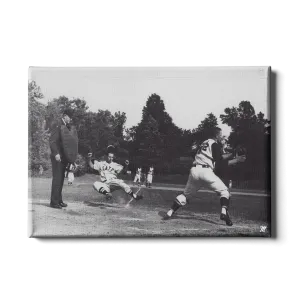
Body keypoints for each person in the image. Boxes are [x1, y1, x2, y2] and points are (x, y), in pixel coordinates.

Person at [162, 127, 246, 226]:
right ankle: (223, 212)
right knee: (224, 191)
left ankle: (170, 212)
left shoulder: (204, 143)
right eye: (220, 134)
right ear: (216, 135)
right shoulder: (214, 144)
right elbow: (220, 162)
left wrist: (232, 154)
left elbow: (218, 157)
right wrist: (236, 160)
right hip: (205, 172)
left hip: (194, 171)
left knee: (185, 195)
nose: (221, 136)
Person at [49, 110, 72, 209]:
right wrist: (56, 153)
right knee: (57, 179)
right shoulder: (58, 125)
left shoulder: (66, 126)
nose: (71, 119)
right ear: (65, 116)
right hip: (57, 157)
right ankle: (54, 202)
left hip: (63, 158)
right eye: (70, 117)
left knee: (61, 179)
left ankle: (59, 200)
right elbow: (52, 141)